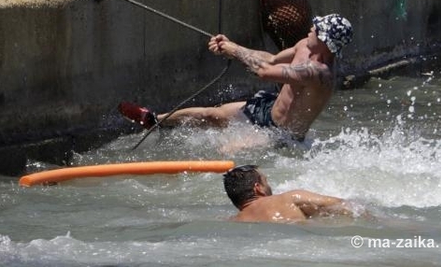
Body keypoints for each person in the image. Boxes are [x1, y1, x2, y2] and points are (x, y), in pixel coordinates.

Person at [120, 14, 352, 141]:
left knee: (226, 153)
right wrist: (231, 46)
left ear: (325, 41)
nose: (311, 28)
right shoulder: (304, 45)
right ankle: (154, 120)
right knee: (211, 114)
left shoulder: (319, 73)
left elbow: (264, 73)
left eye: (317, 28)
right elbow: (270, 60)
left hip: (280, 134)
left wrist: (233, 50)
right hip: (268, 108)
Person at [223, 165, 355, 222]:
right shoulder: (289, 199)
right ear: (258, 188)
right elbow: (342, 205)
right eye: (266, 181)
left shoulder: (232, 221)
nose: (269, 185)